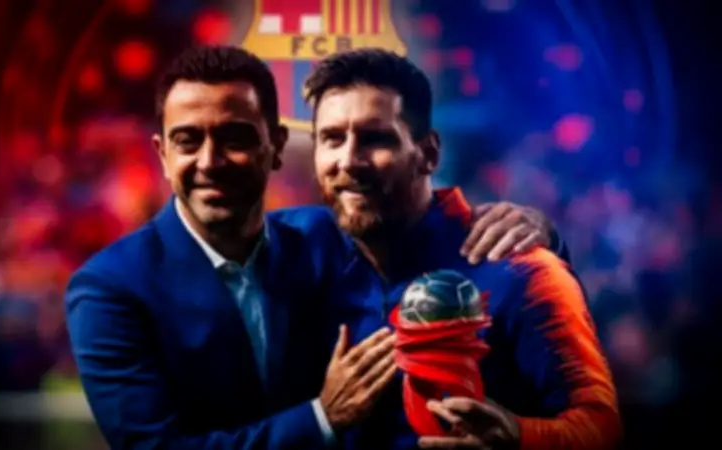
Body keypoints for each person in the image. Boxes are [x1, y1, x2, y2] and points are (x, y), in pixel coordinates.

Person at [65, 46, 566, 450]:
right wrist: (321, 418)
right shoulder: (109, 288)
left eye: (235, 137)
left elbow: (423, 228)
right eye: (188, 140)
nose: (210, 161)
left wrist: (537, 233)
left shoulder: (323, 235)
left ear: (277, 146)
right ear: (162, 154)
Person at [305, 48, 621, 449]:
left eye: (375, 138)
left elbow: (602, 430)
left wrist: (519, 438)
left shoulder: (521, 268)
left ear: (428, 154)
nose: (348, 160)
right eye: (332, 139)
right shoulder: (310, 258)